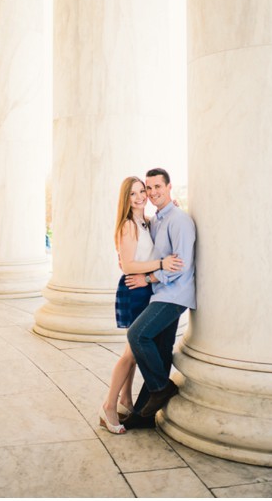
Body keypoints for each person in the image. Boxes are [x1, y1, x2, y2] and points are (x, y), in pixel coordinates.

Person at [99, 176, 183, 435]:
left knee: (134, 352)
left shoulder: (145, 222)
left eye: (142, 191)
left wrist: (174, 209)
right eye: (133, 193)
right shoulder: (128, 225)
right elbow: (129, 266)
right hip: (135, 290)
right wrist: (161, 264)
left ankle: (126, 400)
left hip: (146, 288)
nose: (139, 197)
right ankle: (109, 406)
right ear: (126, 199)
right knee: (131, 353)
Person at [124, 167, 196, 422]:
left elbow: (181, 265)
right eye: (149, 187)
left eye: (157, 187)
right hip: (161, 293)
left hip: (174, 295)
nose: (152, 192)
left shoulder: (179, 221)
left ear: (168, 187)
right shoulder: (157, 220)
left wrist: (148, 278)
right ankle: (142, 416)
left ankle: (161, 387)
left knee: (137, 335)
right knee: (162, 351)